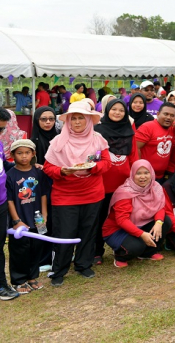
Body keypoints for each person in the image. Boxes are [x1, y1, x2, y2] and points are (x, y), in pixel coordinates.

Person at [43, 100, 112, 287]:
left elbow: (107, 163)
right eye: (73, 118)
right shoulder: (58, 141)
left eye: (81, 118)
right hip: (65, 195)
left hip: (92, 193)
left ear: (89, 120)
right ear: (68, 121)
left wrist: (94, 168)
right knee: (65, 233)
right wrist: (61, 171)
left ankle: (83, 264)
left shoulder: (98, 139)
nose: (77, 122)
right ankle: (59, 269)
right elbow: (48, 168)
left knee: (88, 231)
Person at [101, 160, 170, 268]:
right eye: (138, 173)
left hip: (140, 224)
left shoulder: (155, 187)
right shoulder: (125, 192)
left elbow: (160, 207)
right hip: (117, 230)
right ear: (132, 174)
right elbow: (121, 220)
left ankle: (147, 253)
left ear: (151, 173)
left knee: (165, 221)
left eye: (146, 173)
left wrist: (158, 223)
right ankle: (120, 255)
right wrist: (142, 234)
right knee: (137, 246)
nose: (143, 177)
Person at [93, 99, 137, 264]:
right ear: (107, 110)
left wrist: (134, 179)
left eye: (121, 110)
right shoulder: (97, 130)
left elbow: (133, 156)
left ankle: (121, 248)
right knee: (99, 218)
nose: (117, 113)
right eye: (114, 109)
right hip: (102, 183)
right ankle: (97, 251)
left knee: (122, 217)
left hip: (123, 184)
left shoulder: (129, 130)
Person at [5, 140, 48, 294]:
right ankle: (18, 280)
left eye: (27, 152)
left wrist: (44, 214)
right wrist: (16, 220)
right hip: (20, 219)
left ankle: (32, 277)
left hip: (37, 218)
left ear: (33, 154)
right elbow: (9, 200)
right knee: (20, 250)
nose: (24, 156)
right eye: (20, 153)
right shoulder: (10, 175)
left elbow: (43, 194)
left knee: (36, 247)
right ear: (12, 155)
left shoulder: (38, 172)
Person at [135, 103, 175, 181]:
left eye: (172, 115)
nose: (168, 117)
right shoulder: (147, 127)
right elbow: (135, 148)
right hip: (146, 176)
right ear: (158, 114)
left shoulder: (173, 128)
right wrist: (140, 169)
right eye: (166, 114)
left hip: (162, 175)